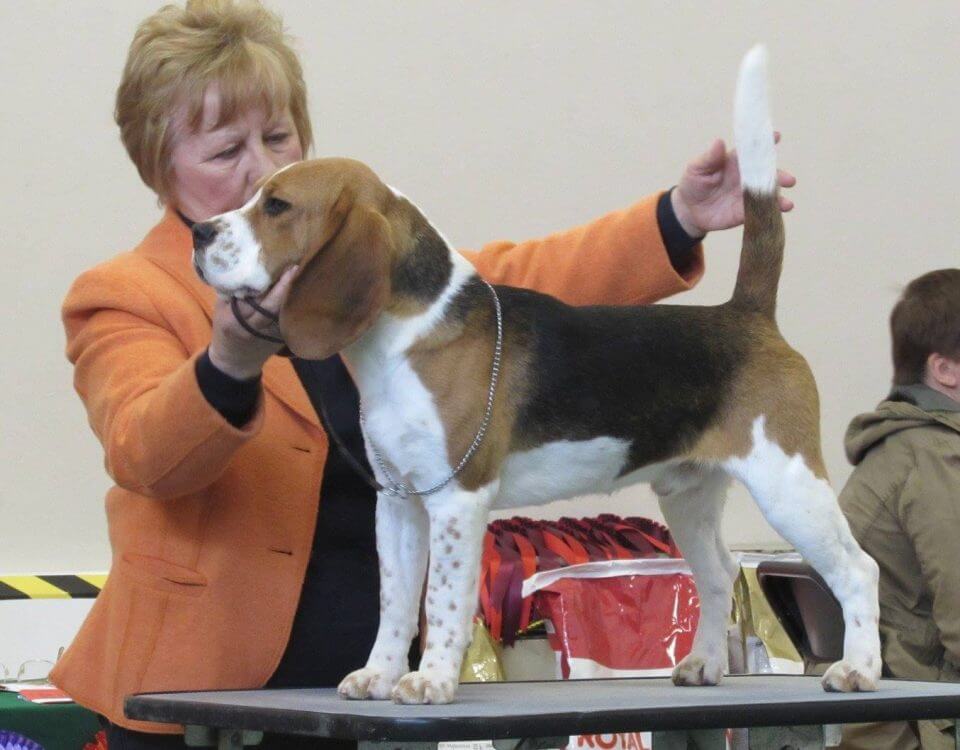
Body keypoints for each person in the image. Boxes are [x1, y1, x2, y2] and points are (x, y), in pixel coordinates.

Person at [51, 0, 795, 745]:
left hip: (376, 693)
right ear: (160, 164)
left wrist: (677, 217)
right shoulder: (124, 292)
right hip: (200, 701)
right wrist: (227, 363)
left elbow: (514, 286)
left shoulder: (355, 268)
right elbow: (142, 453)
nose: (265, 167)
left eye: (280, 136)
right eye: (224, 152)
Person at [840, 269, 960, 750]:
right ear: (946, 370)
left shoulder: (900, 447)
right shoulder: (936, 459)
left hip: (885, 718)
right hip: (921, 722)